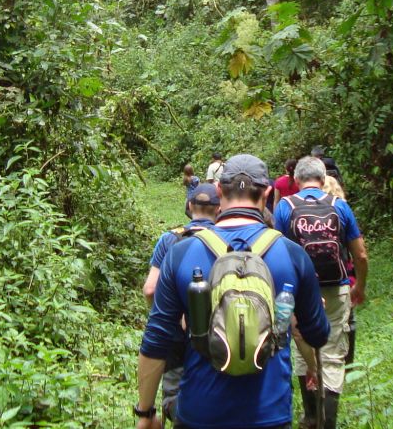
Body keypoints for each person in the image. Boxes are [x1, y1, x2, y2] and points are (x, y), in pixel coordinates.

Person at [137, 154, 331, 429]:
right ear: (266, 193)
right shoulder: (292, 254)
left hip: (199, 413)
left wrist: (145, 413)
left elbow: (156, 340)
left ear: (219, 191)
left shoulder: (181, 252)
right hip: (269, 415)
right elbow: (318, 334)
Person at [275, 157, 368, 429]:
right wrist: (359, 285)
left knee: (302, 345)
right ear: (323, 177)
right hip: (336, 287)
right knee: (332, 354)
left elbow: (277, 254)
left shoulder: (285, 207)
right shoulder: (340, 206)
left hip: (299, 291)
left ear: (296, 180)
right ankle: (329, 422)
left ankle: (310, 417)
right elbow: (360, 254)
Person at [142, 183, 221, 422]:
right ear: (219, 209)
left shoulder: (169, 239)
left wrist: (164, 315)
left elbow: (150, 289)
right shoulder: (224, 238)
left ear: (189, 206)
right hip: (216, 333)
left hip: (176, 336)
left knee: (175, 393)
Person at [323, 175, 358, 368]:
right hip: (344, 271)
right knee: (348, 317)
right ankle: (347, 360)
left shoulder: (306, 213)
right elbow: (358, 250)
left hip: (316, 276)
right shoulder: (343, 209)